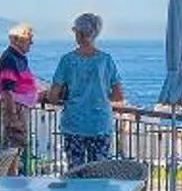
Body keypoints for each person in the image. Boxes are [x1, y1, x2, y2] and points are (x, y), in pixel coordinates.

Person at [43, 12, 123, 168]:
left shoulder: (68, 60)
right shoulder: (106, 60)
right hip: (100, 124)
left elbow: (53, 97)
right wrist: (97, 94)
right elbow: (118, 95)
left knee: (76, 172)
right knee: (99, 173)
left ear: (79, 33)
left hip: (75, 124)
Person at [0, 22, 38, 162]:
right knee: (12, 150)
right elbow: (7, 91)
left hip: (20, 108)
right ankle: (9, 180)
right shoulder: (9, 58)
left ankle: (13, 179)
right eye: (28, 38)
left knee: (16, 150)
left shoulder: (18, 58)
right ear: (16, 40)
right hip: (16, 109)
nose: (31, 42)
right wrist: (13, 117)